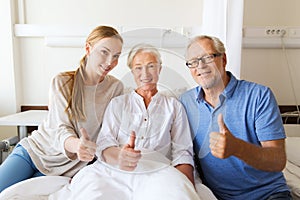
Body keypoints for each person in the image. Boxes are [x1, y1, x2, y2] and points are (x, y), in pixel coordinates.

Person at [60, 43, 200, 200]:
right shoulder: (118, 103)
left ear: (160, 69)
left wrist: (186, 185)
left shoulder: (174, 106)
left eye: (151, 66)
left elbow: (182, 151)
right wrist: (120, 155)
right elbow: (105, 142)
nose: (145, 73)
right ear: (132, 72)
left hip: (157, 170)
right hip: (114, 169)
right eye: (138, 68)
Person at [0, 25, 124, 192]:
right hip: (34, 152)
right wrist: (77, 145)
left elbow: (111, 133)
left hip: (68, 168)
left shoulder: (116, 88)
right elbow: (60, 128)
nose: (110, 62)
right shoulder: (63, 82)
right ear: (88, 48)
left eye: (116, 56)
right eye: (104, 52)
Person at [179, 35, 292, 200]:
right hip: (217, 196)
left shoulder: (259, 96)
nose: (201, 66)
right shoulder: (185, 102)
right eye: (193, 62)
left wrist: (237, 148)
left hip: (268, 195)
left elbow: (278, 161)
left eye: (207, 57)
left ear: (223, 59)